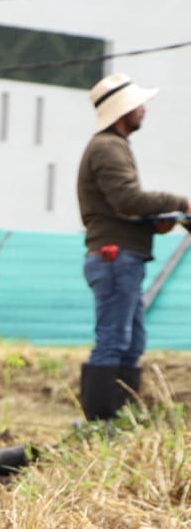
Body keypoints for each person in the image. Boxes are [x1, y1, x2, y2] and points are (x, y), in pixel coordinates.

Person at [76, 72, 191, 421]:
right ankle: (101, 422)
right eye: (139, 105)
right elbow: (127, 199)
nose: (144, 110)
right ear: (124, 110)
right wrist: (180, 202)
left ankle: (120, 416)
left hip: (122, 257)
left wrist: (155, 220)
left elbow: (119, 206)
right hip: (115, 259)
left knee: (131, 342)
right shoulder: (107, 147)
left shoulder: (113, 145)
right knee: (113, 340)